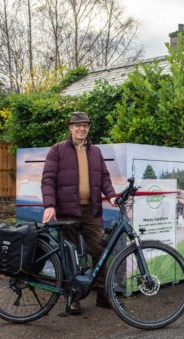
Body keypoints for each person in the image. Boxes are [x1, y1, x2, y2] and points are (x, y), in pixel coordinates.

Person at [41, 112, 117, 314]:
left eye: (85, 125)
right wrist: (49, 205)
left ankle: (103, 295)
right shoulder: (57, 150)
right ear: (70, 128)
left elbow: (104, 178)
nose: (81, 129)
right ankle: (72, 298)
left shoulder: (96, 152)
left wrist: (111, 196)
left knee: (100, 252)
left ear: (89, 128)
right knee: (70, 257)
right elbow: (48, 179)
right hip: (67, 212)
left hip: (91, 211)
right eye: (78, 125)